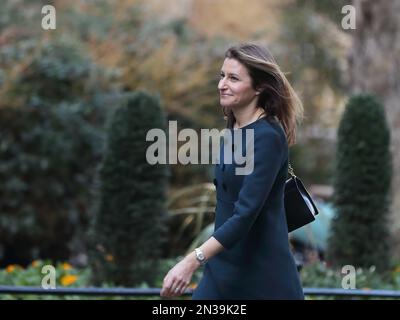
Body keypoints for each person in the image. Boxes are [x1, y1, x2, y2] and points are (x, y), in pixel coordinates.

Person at [160, 43, 304, 300]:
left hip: (262, 276)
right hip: (223, 269)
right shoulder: (233, 128)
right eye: (222, 75)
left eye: (233, 78)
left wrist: (192, 261)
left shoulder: (267, 137)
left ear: (259, 87)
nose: (222, 84)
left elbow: (245, 214)